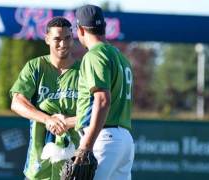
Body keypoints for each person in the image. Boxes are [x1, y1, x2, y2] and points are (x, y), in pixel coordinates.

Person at [10, 17, 80, 180]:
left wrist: (67, 122)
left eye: (67, 38)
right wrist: (47, 119)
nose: (63, 44)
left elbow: (95, 111)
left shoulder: (83, 70)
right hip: (39, 168)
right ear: (47, 39)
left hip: (74, 165)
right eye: (57, 39)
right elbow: (17, 102)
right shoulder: (35, 67)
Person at [74, 4, 135, 180]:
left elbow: (102, 100)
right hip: (124, 140)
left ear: (80, 29)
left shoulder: (95, 55)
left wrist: (86, 145)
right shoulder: (121, 57)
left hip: (103, 139)